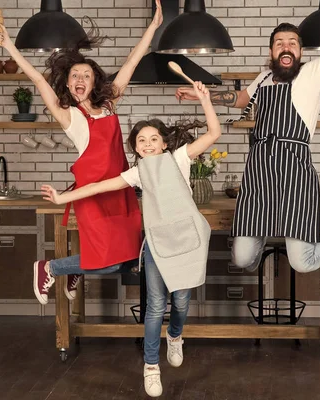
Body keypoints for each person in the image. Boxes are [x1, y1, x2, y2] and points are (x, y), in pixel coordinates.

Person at [174, 0, 320, 273]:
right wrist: (203, 95)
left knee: (301, 262)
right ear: (272, 50)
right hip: (259, 174)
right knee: (243, 259)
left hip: (295, 175)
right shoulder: (264, 78)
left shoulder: (312, 73)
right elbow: (240, 98)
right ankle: (260, 236)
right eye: (280, 42)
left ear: (300, 51)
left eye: (292, 42)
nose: (286, 46)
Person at [41, 81, 220, 398]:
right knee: (155, 307)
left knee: (179, 302)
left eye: (154, 139)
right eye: (142, 140)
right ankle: (151, 367)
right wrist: (62, 197)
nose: (149, 144)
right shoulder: (135, 174)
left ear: (163, 144)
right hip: (156, 244)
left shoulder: (179, 159)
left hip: (187, 242)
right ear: (135, 148)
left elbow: (213, 134)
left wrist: (205, 100)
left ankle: (175, 336)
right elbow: (98, 187)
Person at [0, 0, 164, 305]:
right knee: (107, 261)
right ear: (68, 84)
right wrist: (8, 45)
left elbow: (131, 63)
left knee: (128, 258)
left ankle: (75, 270)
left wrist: (152, 27)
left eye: (86, 75)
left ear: (95, 80)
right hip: (91, 196)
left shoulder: (109, 105)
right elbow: (36, 78)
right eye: (75, 76)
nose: (80, 80)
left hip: (120, 189)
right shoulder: (67, 115)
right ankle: (50, 267)